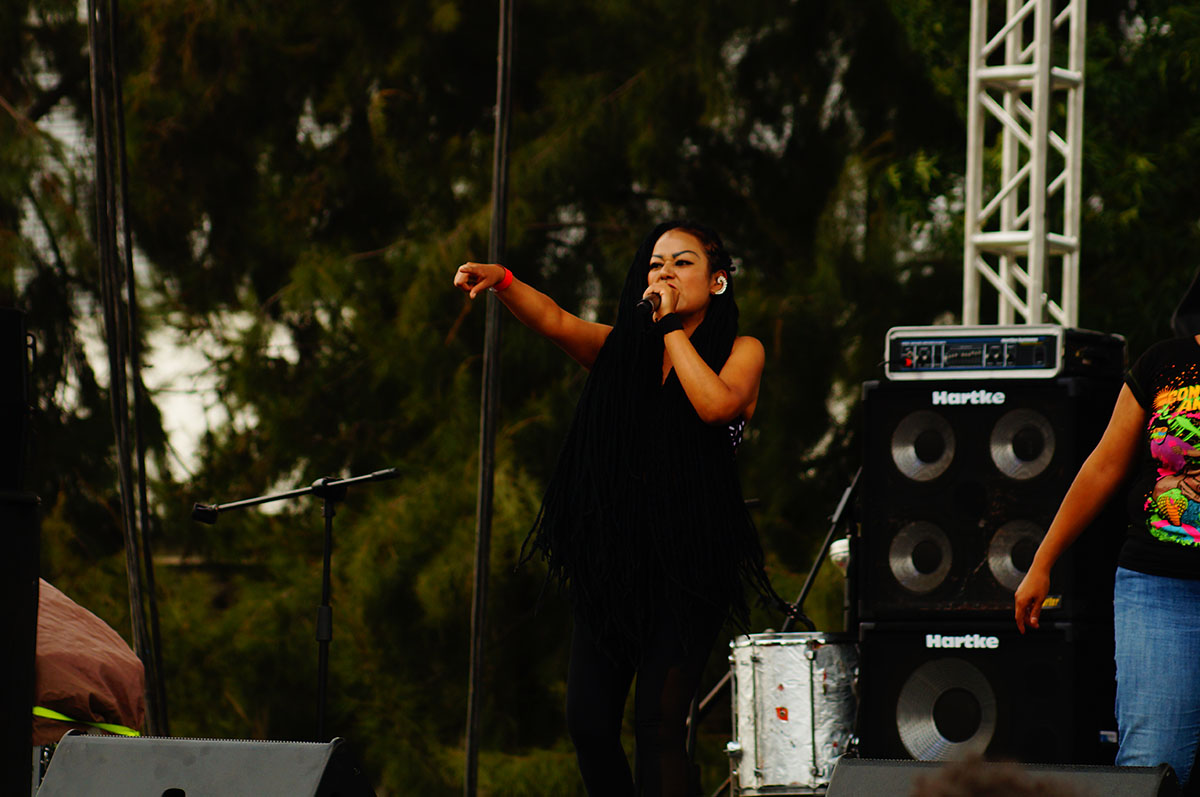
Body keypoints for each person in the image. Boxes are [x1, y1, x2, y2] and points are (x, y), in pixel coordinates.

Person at [453, 221, 787, 796]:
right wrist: (503, 279)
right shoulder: (622, 352)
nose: (665, 273)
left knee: (658, 727)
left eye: (682, 262)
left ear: (718, 281)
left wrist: (669, 328)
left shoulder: (742, 350)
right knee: (588, 723)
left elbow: (715, 406)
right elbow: (556, 320)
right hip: (615, 560)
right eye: (656, 264)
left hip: (690, 561)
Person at [1014, 326, 1200, 789]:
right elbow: (1103, 466)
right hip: (1161, 588)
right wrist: (1042, 562)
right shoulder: (1164, 363)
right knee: (1153, 763)